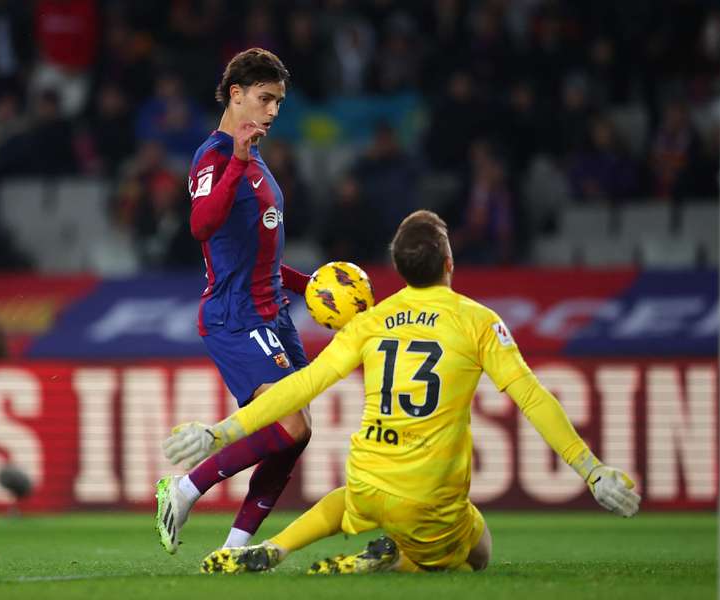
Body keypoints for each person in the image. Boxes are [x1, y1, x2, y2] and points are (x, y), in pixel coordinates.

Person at [164, 210, 641, 575]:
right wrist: (591, 470)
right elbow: (533, 399)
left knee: (347, 500)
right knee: (479, 550)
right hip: (429, 494)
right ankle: (400, 560)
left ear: (398, 267)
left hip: (369, 481)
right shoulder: (477, 321)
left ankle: (279, 546)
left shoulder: (370, 322)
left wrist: (220, 430)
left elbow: (302, 386)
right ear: (449, 263)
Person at [154, 48, 315, 555]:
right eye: (264, 99)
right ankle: (185, 487)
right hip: (235, 316)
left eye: (279, 103)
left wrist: (310, 287)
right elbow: (201, 226)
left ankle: (235, 547)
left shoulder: (256, 160)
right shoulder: (216, 155)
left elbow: (257, 257)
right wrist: (238, 161)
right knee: (288, 424)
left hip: (273, 314)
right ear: (236, 94)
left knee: (298, 433)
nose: (271, 111)